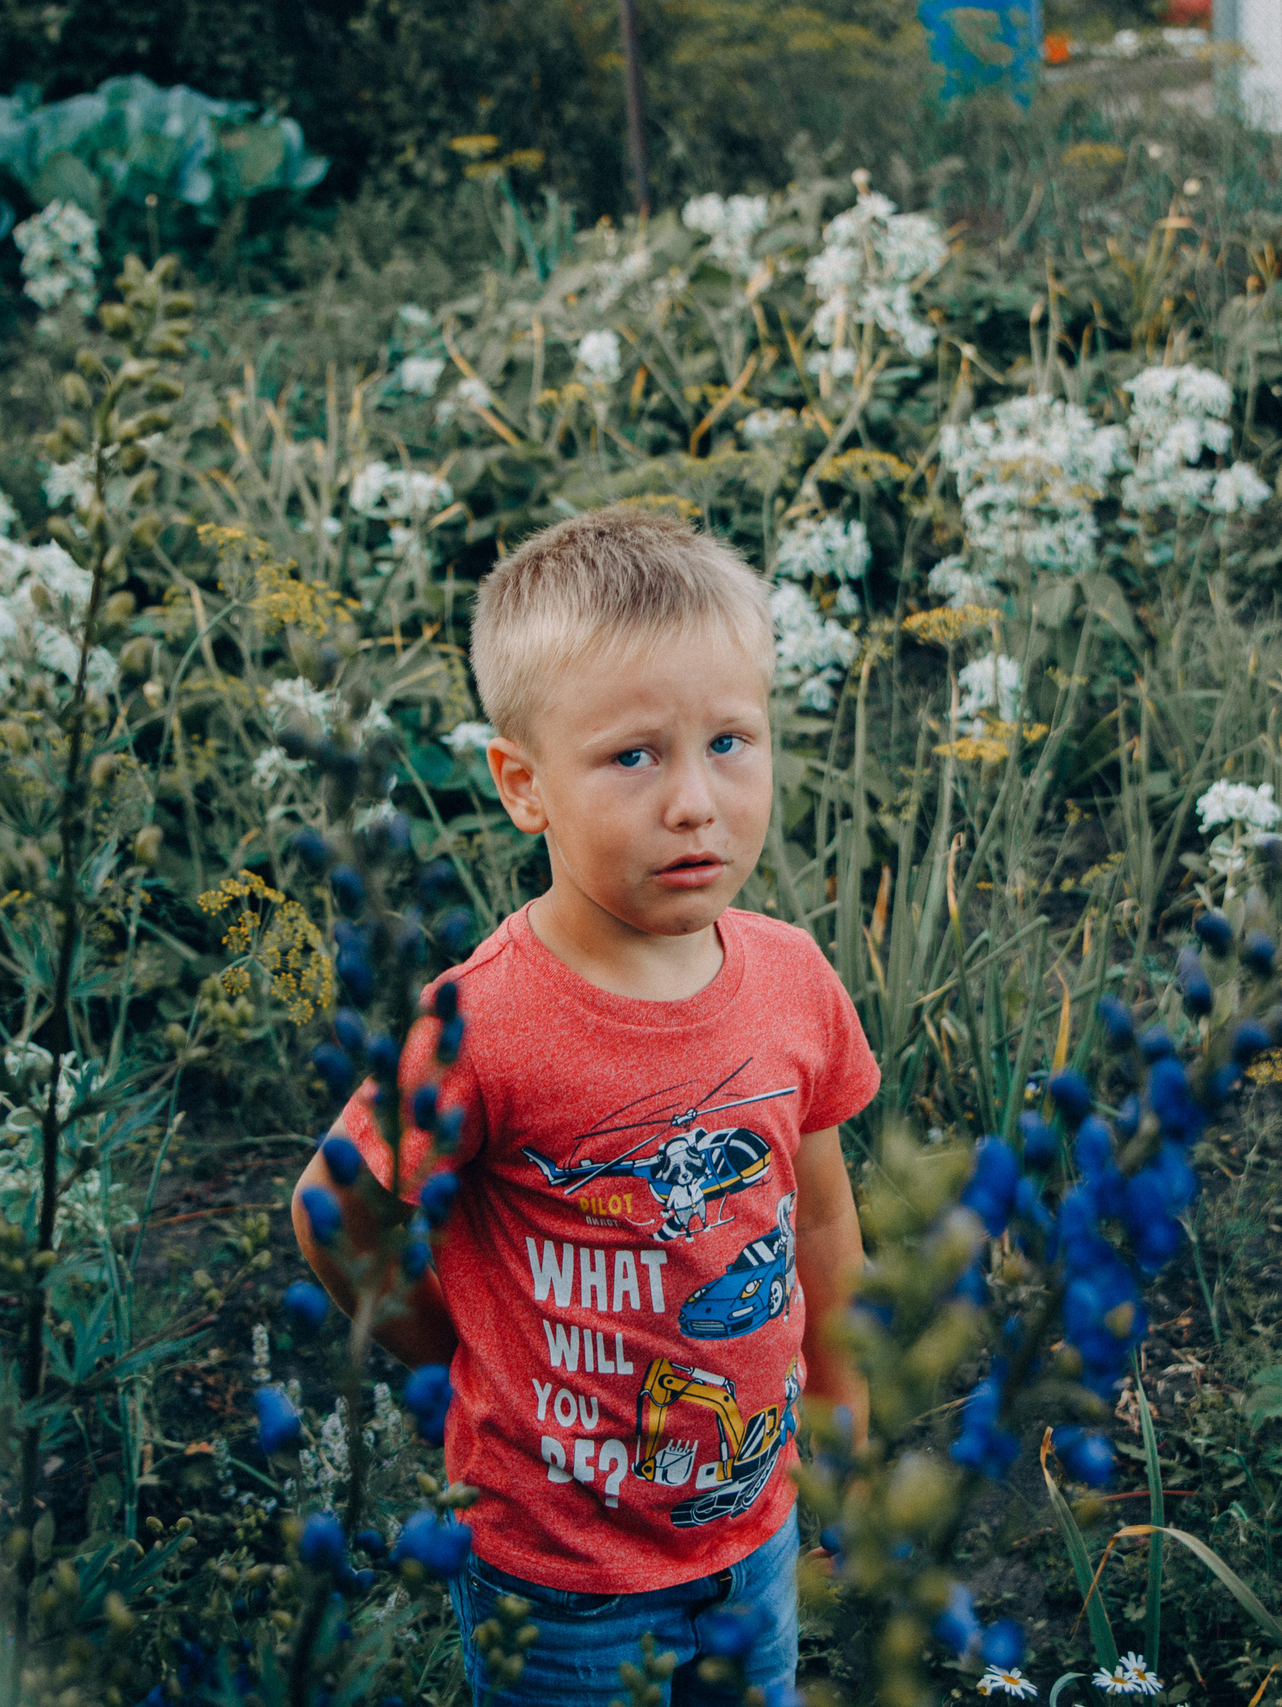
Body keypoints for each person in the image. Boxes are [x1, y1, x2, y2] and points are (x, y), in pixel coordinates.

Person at [289, 505, 877, 1706]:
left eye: (730, 741)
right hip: (558, 1580)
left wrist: (844, 1412)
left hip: (752, 1530)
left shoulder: (793, 979)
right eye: (633, 757)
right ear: (523, 786)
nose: (695, 801)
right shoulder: (484, 1021)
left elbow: (817, 1218)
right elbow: (336, 1208)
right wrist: (451, 1353)